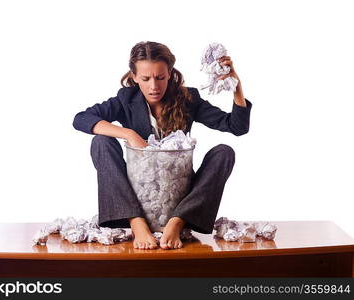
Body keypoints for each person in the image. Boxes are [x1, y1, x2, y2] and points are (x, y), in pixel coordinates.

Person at [73, 41, 252, 250]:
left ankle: (177, 222)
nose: (154, 87)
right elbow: (81, 119)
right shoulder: (126, 99)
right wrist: (128, 134)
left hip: (179, 190)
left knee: (224, 152)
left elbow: (237, 126)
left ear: (170, 73)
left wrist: (235, 85)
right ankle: (136, 222)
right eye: (145, 78)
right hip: (138, 193)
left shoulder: (188, 98)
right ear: (134, 77)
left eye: (160, 78)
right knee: (100, 141)